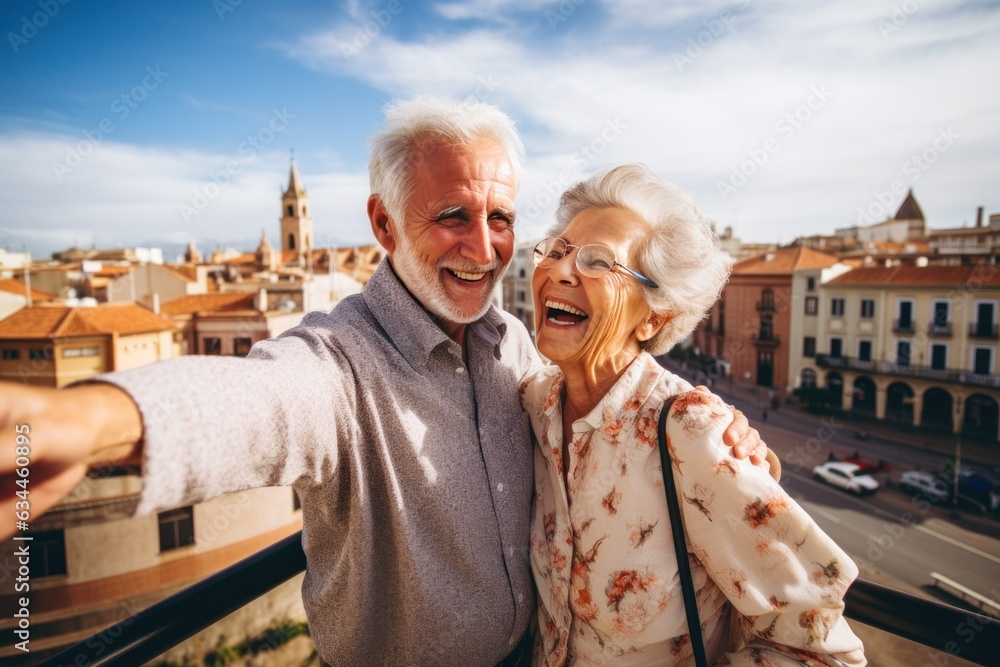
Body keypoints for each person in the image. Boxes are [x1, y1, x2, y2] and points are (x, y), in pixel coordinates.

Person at [0, 98, 767, 665]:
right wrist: (88, 421)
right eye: (451, 215)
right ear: (383, 222)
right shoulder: (342, 362)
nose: (483, 245)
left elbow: (610, 379)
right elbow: (263, 401)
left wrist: (707, 422)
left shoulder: (516, 352)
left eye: (500, 217)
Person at [521, 164, 865, 665]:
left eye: (599, 262)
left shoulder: (690, 429)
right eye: (557, 250)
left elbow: (818, 646)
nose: (560, 270)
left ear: (652, 318)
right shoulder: (532, 403)